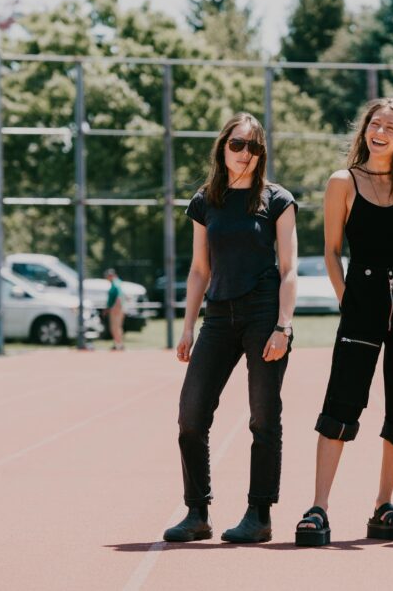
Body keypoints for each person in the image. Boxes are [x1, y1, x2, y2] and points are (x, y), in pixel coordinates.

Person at [295, 98, 393, 546]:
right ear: (365, 131)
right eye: (374, 124)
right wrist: (347, 300)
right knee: (342, 400)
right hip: (363, 300)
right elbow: (331, 250)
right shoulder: (343, 181)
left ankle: (383, 505)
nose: (379, 131)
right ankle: (318, 508)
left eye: (391, 127)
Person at [163, 113, 298, 544]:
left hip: (263, 313)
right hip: (218, 316)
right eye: (238, 145)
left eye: (254, 147)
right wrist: (187, 327)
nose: (245, 154)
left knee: (263, 417)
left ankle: (259, 514)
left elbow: (289, 268)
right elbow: (199, 269)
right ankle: (196, 512)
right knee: (190, 416)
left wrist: (284, 326)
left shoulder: (277, 199)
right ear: (223, 147)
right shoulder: (207, 200)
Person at [104, 269, 125, 351]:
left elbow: (119, 297)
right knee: (117, 327)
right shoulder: (117, 282)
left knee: (115, 327)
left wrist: (116, 308)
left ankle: (119, 344)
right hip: (116, 307)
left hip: (116, 308)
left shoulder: (116, 283)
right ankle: (118, 343)